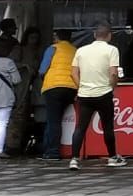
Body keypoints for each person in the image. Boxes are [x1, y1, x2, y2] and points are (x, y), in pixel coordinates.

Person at [69, 24, 126, 169]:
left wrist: (80, 86)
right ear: (109, 36)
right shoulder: (112, 50)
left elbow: (73, 72)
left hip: (84, 94)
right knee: (107, 127)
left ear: (94, 35)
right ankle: (112, 157)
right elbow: (113, 73)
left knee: (80, 127)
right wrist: (112, 86)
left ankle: (74, 159)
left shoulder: (81, 50)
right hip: (103, 93)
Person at [38, 31, 79, 163]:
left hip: (53, 88)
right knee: (60, 119)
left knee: (53, 121)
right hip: (71, 88)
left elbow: (42, 70)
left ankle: (52, 152)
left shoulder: (52, 48)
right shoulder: (75, 50)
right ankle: (63, 150)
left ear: (56, 37)